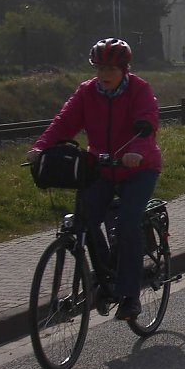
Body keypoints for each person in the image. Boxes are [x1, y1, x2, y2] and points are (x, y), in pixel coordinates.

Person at [26, 38, 161, 321]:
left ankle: (129, 294)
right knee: (84, 218)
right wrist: (41, 148)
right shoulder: (87, 92)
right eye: (100, 68)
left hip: (139, 169)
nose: (104, 74)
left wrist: (135, 151)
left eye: (111, 68)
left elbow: (147, 123)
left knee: (127, 220)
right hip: (101, 168)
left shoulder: (140, 89)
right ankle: (102, 273)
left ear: (124, 69)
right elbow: (64, 123)